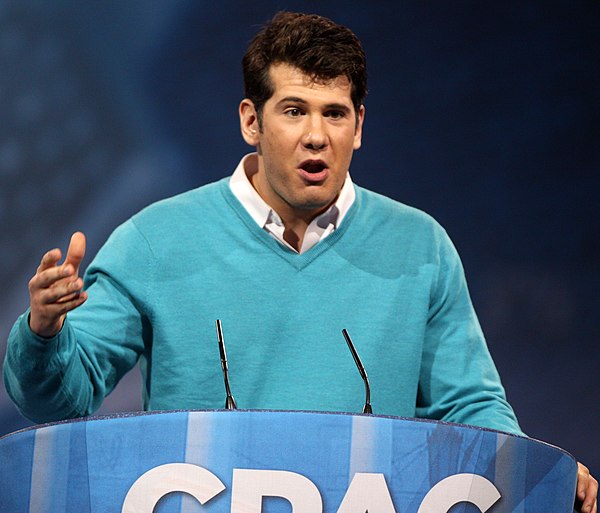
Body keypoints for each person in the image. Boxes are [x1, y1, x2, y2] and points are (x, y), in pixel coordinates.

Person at [3, 11, 597, 512]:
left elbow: (470, 406)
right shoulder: (156, 239)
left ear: (359, 127)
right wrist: (44, 332)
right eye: (294, 110)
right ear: (251, 122)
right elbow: (60, 402)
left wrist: (533, 474)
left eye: (334, 113)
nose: (316, 135)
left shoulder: (420, 247)